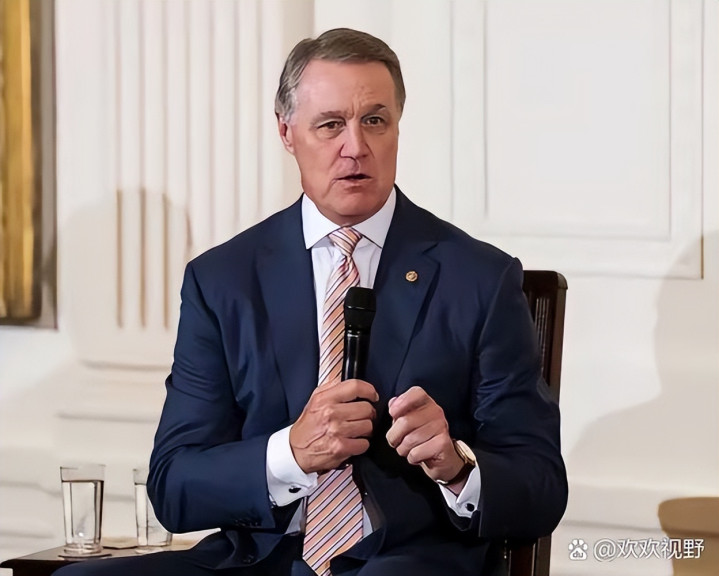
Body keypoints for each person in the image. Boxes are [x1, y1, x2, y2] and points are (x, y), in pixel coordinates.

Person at [55, 27, 567, 576]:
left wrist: (456, 465)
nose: (356, 147)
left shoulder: (478, 278)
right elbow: (175, 485)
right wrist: (291, 454)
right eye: (330, 125)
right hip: (259, 561)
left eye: (375, 121)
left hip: (406, 561)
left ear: (398, 126)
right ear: (286, 131)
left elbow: (540, 486)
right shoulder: (223, 280)